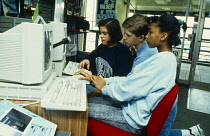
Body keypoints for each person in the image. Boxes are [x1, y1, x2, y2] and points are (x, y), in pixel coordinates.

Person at [76, 14, 205, 136]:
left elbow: (128, 90)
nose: (147, 36)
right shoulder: (163, 58)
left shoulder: (161, 61)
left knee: (80, 108)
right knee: (87, 101)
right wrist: (103, 81)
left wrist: (104, 87)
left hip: (132, 119)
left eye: (151, 32)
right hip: (131, 110)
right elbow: (131, 80)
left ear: (163, 36)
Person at [78, 18, 133, 96]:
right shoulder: (102, 46)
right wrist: (87, 60)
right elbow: (92, 56)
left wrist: (101, 90)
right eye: (100, 33)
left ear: (113, 33)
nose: (101, 36)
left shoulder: (123, 52)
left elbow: (121, 81)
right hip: (96, 85)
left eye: (105, 33)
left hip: (108, 91)